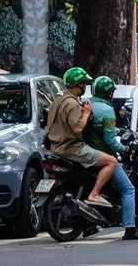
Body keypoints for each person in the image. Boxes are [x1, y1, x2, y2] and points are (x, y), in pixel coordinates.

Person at [84, 76, 138, 241]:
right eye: (111, 92)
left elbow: (104, 131)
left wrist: (120, 131)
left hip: (86, 154)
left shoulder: (87, 105)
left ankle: (89, 225)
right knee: (128, 189)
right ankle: (130, 228)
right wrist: (125, 148)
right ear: (108, 93)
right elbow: (109, 141)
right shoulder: (107, 110)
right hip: (103, 156)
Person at [44, 67, 116, 208]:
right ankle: (94, 194)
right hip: (72, 149)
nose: (85, 86)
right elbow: (78, 128)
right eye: (84, 83)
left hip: (55, 148)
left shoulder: (57, 102)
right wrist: (86, 113)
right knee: (111, 162)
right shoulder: (72, 103)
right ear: (79, 84)